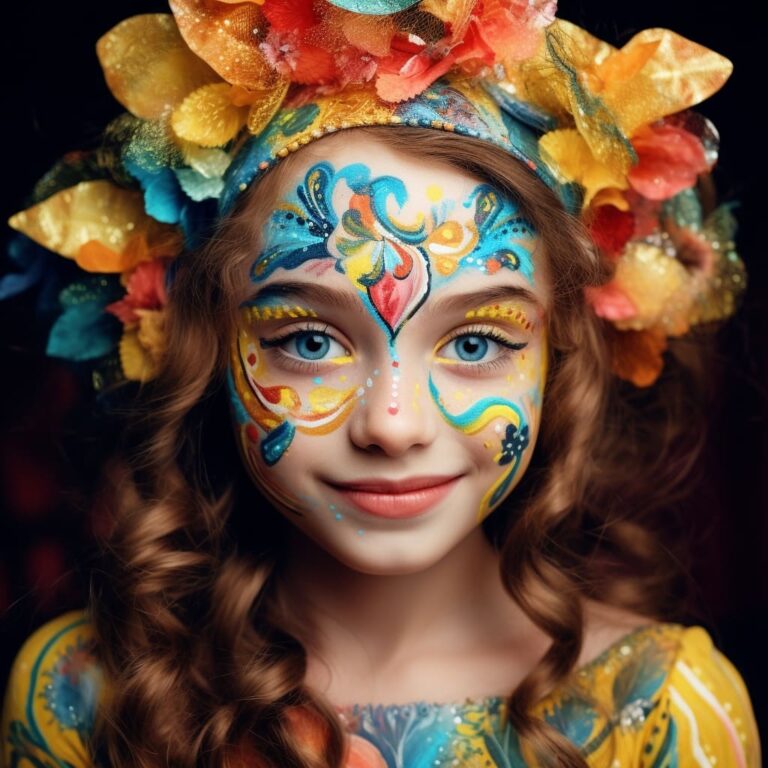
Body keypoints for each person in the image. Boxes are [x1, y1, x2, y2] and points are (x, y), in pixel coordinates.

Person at [0, 1, 760, 767]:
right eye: (308, 340)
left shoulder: (658, 712)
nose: (394, 425)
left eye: (474, 341)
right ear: (207, 343)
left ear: (560, 354)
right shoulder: (80, 696)